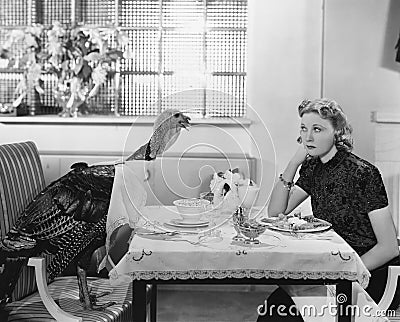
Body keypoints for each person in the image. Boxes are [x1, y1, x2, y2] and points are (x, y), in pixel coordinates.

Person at [257, 98, 400, 321]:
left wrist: (345, 273)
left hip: (368, 273)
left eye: (317, 129)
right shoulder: (313, 166)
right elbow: (275, 213)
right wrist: (293, 164)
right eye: (304, 129)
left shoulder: (363, 173)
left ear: (337, 133)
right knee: (275, 307)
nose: (308, 137)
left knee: (283, 313)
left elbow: (389, 247)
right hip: (332, 267)